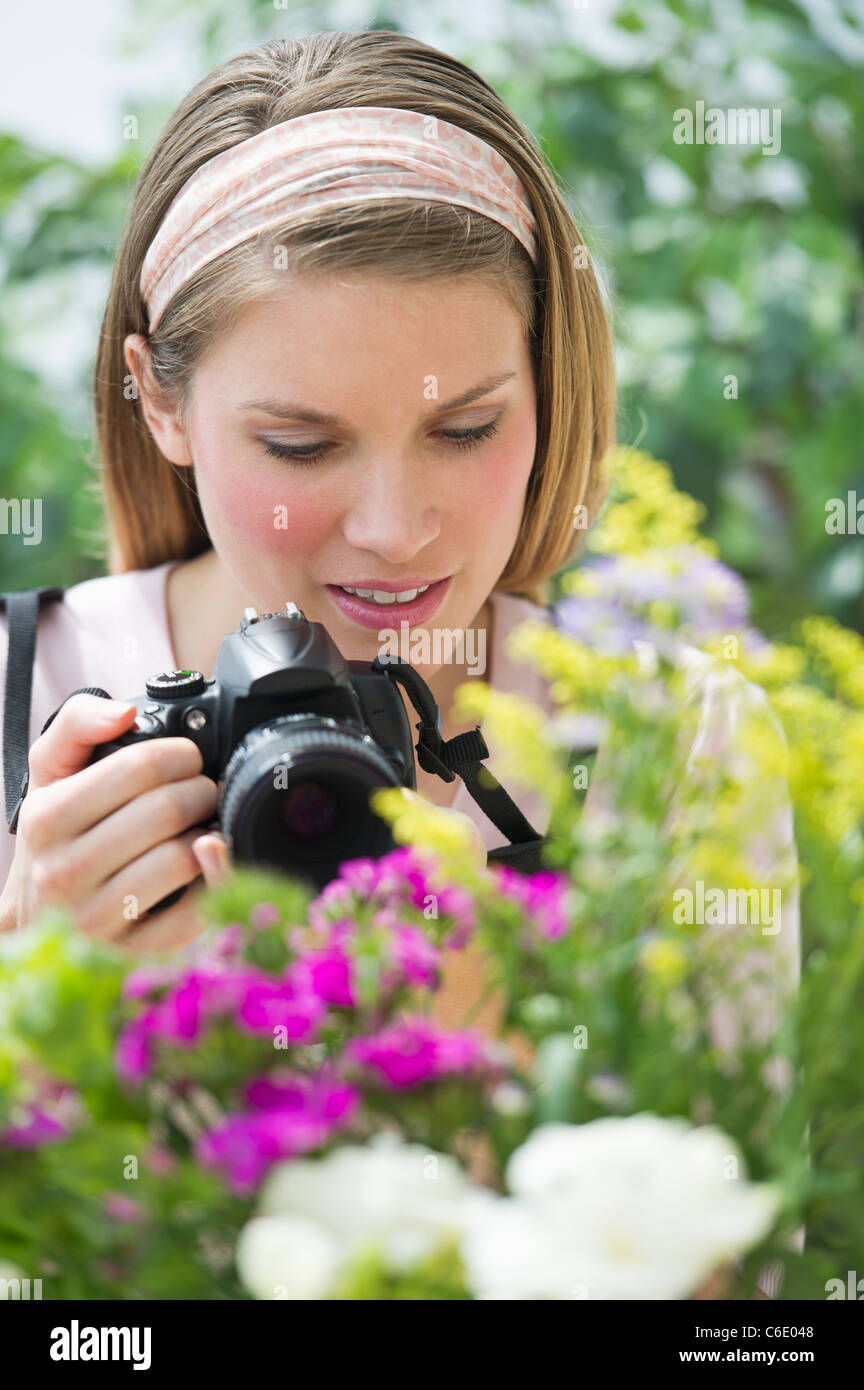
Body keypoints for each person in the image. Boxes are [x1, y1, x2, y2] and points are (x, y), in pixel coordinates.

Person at [0, 30, 615, 949]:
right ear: (160, 400)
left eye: (464, 429)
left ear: (549, 384)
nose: (394, 531)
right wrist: (33, 996)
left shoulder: (670, 745)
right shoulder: (20, 696)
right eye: (298, 445)